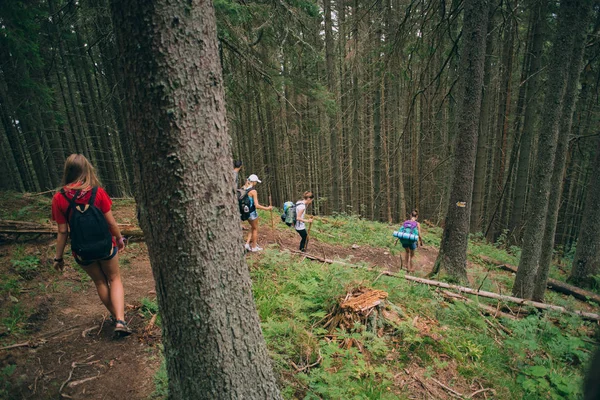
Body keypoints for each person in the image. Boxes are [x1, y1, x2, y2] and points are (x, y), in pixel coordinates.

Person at [51, 154, 131, 337]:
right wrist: (119, 239)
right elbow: (110, 223)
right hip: (105, 246)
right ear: (86, 169)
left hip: (82, 251)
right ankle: (120, 320)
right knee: (114, 278)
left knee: (100, 281)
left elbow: (62, 231)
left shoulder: (59, 198)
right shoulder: (97, 192)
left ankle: (117, 318)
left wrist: (58, 258)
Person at [242, 174, 272, 252]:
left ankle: (247, 244)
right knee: (255, 229)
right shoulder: (253, 191)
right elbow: (257, 205)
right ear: (254, 182)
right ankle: (254, 247)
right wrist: (267, 208)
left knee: (252, 227)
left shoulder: (243, 188)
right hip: (252, 213)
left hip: (246, 212)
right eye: (256, 182)